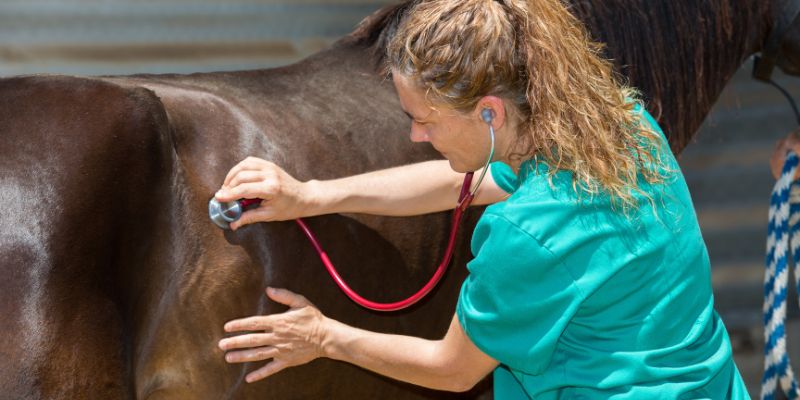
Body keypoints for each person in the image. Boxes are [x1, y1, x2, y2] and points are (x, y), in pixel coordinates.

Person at [214, 0, 750, 397]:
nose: (416, 138)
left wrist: (322, 336)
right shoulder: (624, 126)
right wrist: (310, 194)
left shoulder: (526, 235)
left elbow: (452, 367)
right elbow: (459, 185)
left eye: (424, 121)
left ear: (489, 112)